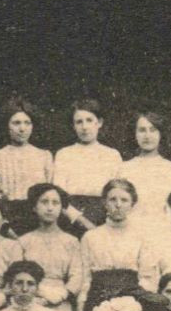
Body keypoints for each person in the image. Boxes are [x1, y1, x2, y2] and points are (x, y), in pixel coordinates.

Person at [78, 178, 156, 311]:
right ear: (105, 203)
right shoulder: (91, 237)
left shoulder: (142, 236)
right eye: (113, 199)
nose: (118, 205)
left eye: (124, 200)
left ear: (132, 204)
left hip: (132, 301)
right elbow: (85, 280)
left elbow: (147, 278)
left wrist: (136, 305)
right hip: (97, 300)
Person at [0, 96, 53, 237]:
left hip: (38, 219)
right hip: (9, 220)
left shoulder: (44, 156)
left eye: (27, 123)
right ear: (7, 125)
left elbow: (50, 192)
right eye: (16, 123)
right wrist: (4, 226)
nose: (22, 128)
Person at [17, 185, 86, 311]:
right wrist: (40, 293)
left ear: (62, 208)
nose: (50, 208)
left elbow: (77, 275)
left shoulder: (71, 242)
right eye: (44, 202)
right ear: (34, 207)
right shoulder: (24, 241)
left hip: (61, 303)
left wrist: (61, 295)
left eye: (55, 203)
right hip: (31, 299)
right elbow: (18, 274)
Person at [51, 98, 122, 232]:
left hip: (104, 220)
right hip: (70, 219)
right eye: (79, 122)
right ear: (73, 126)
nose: (84, 127)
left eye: (89, 120)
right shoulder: (64, 154)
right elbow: (59, 197)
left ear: (99, 122)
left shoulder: (112, 155)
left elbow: (116, 194)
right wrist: (81, 221)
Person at [118, 110, 171, 236]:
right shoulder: (125, 168)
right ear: (134, 134)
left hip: (162, 233)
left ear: (161, 133)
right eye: (142, 130)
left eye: (153, 130)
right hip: (129, 232)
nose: (147, 135)